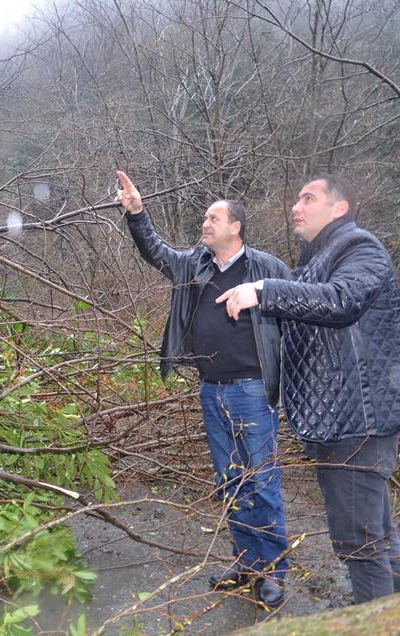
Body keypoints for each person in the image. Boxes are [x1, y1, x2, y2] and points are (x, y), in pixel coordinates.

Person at [217, 174, 400, 604]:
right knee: (376, 535)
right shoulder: (318, 259)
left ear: (339, 207)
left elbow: (340, 301)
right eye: (297, 198)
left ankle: (377, 623)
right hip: (340, 422)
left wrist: (264, 289)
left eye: (309, 198)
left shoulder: (360, 248)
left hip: (356, 423)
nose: (296, 206)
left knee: (360, 546)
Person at [115, 170, 291, 607]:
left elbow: (297, 319)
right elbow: (155, 251)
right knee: (231, 481)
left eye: (214, 218)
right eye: (205, 218)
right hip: (211, 389)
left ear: (236, 227)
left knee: (261, 481)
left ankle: (272, 571)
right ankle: (246, 561)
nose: (205, 223)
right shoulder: (195, 263)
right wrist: (137, 213)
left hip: (253, 390)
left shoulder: (267, 268)